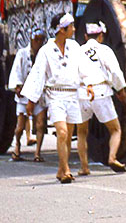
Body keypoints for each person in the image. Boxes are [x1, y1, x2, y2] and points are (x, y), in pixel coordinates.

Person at [22, 13, 84, 184]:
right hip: (55, 95)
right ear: (62, 30)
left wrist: (89, 85)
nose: (74, 29)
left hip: (72, 94)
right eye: (71, 26)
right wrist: (31, 101)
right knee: (62, 132)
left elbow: (83, 68)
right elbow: (37, 75)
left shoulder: (75, 47)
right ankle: (66, 170)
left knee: (69, 134)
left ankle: (60, 169)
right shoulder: (46, 51)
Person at [76, 20, 126, 174]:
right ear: (100, 36)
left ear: (86, 36)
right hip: (101, 91)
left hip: (83, 93)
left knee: (81, 132)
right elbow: (115, 72)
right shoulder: (105, 50)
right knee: (115, 130)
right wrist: (121, 89)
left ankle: (84, 167)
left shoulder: (78, 51)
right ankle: (112, 157)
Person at [8, 28, 47, 162]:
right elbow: (16, 70)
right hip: (24, 94)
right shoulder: (22, 53)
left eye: (41, 40)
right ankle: (17, 146)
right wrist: (17, 86)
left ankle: (37, 153)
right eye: (36, 40)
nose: (39, 43)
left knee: (41, 124)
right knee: (20, 127)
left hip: (39, 94)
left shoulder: (44, 54)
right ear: (31, 40)